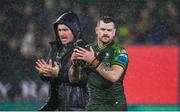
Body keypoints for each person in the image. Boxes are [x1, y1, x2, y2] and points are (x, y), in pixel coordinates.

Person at [70, 16, 129, 111]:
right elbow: (74, 80)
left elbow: (114, 76)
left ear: (114, 32)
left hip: (114, 107)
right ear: (96, 30)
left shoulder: (120, 51)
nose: (105, 33)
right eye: (103, 29)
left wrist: (93, 60)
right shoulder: (87, 49)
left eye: (109, 30)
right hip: (93, 106)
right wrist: (74, 65)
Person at [35, 11, 88, 111]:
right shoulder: (56, 49)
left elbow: (82, 79)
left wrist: (58, 73)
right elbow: (49, 76)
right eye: (59, 30)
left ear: (75, 30)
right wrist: (44, 73)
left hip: (78, 107)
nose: (61, 33)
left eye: (65, 30)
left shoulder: (83, 49)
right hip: (58, 106)